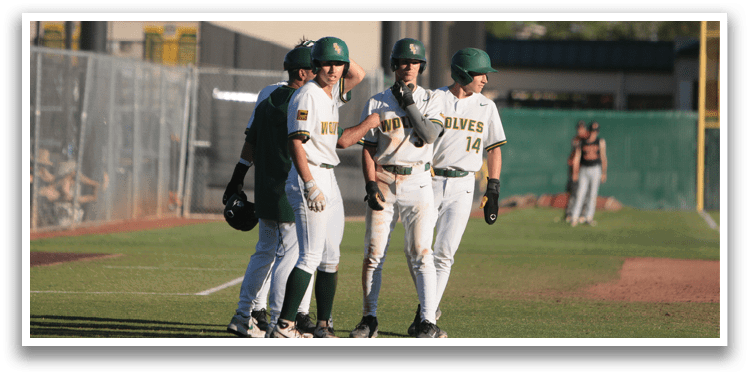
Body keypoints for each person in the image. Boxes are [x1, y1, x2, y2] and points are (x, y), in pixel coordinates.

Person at [269, 36, 379, 338]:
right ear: (314, 65)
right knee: (310, 255)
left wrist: (334, 49)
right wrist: (308, 183)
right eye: (327, 62)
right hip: (311, 175)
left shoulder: (331, 94)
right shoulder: (308, 94)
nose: (334, 69)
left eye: (338, 63)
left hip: (328, 174)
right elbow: (296, 142)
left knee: (331, 255)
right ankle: (284, 325)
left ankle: (323, 325)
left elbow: (358, 74)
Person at [401, 47, 507, 338]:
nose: (485, 79)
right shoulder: (436, 98)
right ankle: (428, 307)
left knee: (444, 253)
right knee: (416, 249)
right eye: (479, 73)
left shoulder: (487, 107)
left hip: (464, 185)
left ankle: (427, 316)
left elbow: (494, 149)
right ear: (462, 74)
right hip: (430, 180)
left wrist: (493, 187)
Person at [223, 40, 320, 338]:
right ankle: (280, 322)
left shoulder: (268, 98)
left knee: (265, 250)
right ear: (302, 73)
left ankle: (243, 315)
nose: (317, 74)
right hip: (289, 186)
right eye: (313, 69)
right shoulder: (299, 101)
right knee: (290, 255)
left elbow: (250, 141)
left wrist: (237, 177)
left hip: (265, 186)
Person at [349, 38, 446, 338]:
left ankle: (427, 320)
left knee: (421, 252)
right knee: (373, 253)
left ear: (422, 66)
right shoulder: (377, 101)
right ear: (394, 65)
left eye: (414, 62)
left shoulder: (433, 99)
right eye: (403, 61)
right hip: (384, 179)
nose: (409, 67)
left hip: (418, 180)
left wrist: (408, 102)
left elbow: (429, 135)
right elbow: (368, 148)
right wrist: (369, 183)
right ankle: (370, 319)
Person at [570, 121, 607, 227]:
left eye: (596, 131)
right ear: (589, 131)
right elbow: (577, 158)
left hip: (596, 169)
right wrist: (575, 172)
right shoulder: (582, 142)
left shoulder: (600, 141)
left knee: (592, 194)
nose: (594, 133)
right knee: (580, 193)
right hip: (584, 169)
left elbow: (603, 157)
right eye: (592, 131)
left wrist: (604, 172)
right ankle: (575, 217)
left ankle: (589, 217)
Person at [564, 120, 589, 223]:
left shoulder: (588, 139)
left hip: (585, 169)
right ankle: (569, 214)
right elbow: (575, 156)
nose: (580, 130)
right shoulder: (576, 140)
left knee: (585, 193)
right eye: (579, 128)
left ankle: (583, 214)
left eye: (581, 128)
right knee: (573, 192)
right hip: (575, 170)